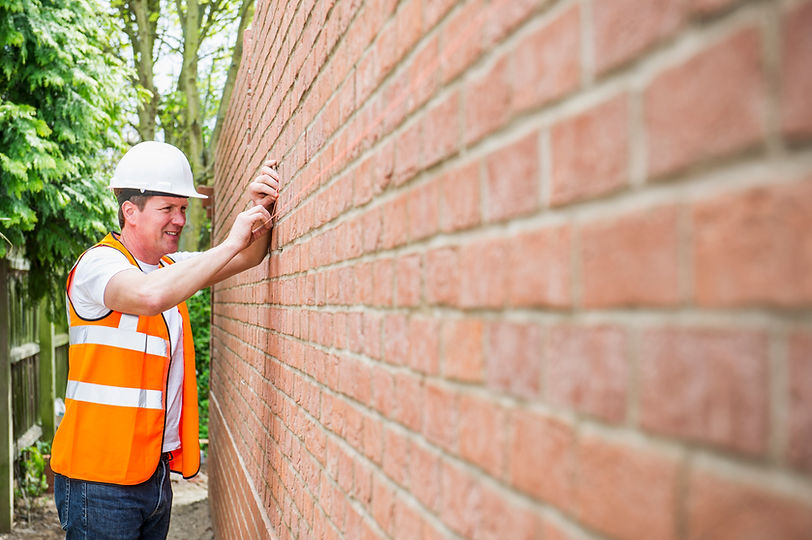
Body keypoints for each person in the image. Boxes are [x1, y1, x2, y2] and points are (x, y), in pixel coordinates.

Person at [49, 141, 280, 539]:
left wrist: (259, 209)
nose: (179, 219)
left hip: (151, 472)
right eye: (167, 208)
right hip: (98, 479)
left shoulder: (172, 268)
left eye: (183, 209)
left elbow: (249, 256)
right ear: (130, 212)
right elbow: (148, 296)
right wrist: (229, 242)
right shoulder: (98, 264)